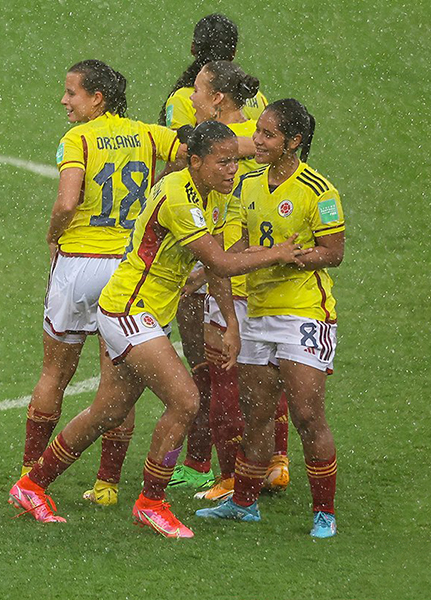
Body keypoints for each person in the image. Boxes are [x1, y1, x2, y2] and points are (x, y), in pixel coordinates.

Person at [8, 121, 307, 538]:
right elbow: (219, 263)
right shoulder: (178, 196)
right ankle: (152, 502)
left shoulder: (217, 197)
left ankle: (31, 484)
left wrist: (233, 324)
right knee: (185, 400)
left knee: (106, 411)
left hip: (145, 311)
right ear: (196, 162)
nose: (231, 170)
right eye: (222, 162)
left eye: (234, 162)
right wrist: (279, 253)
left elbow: (216, 266)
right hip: (129, 309)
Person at [21, 59, 182, 507]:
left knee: (55, 371)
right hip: (127, 271)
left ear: (97, 98)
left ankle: (30, 471)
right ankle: (108, 484)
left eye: (71, 92)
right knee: (119, 382)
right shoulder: (150, 134)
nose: (64, 101)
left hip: (79, 264)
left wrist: (53, 236)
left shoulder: (77, 139)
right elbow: (202, 152)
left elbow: (67, 201)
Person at [196, 99, 344, 538]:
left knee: (306, 414)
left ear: (293, 142)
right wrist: (209, 269)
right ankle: (244, 502)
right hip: (257, 312)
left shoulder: (319, 190)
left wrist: (292, 259)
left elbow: (333, 253)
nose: (256, 141)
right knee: (256, 414)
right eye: (257, 132)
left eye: (268, 135)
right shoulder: (247, 185)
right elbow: (237, 248)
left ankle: (324, 513)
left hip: (303, 314)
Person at [160, 14, 269, 493]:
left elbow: (182, 159)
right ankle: (269, 461)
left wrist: (204, 273)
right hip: (255, 256)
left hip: (216, 252)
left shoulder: (185, 103)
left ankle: (220, 470)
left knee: (212, 369)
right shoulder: (261, 106)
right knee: (267, 369)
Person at [186, 60, 291, 501]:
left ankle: (230, 478)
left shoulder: (218, 146)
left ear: (217, 98)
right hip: (266, 272)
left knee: (225, 378)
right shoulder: (262, 137)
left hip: (229, 268)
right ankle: (276, 463)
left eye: (197, 90)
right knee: (269, 374)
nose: (191, 98)